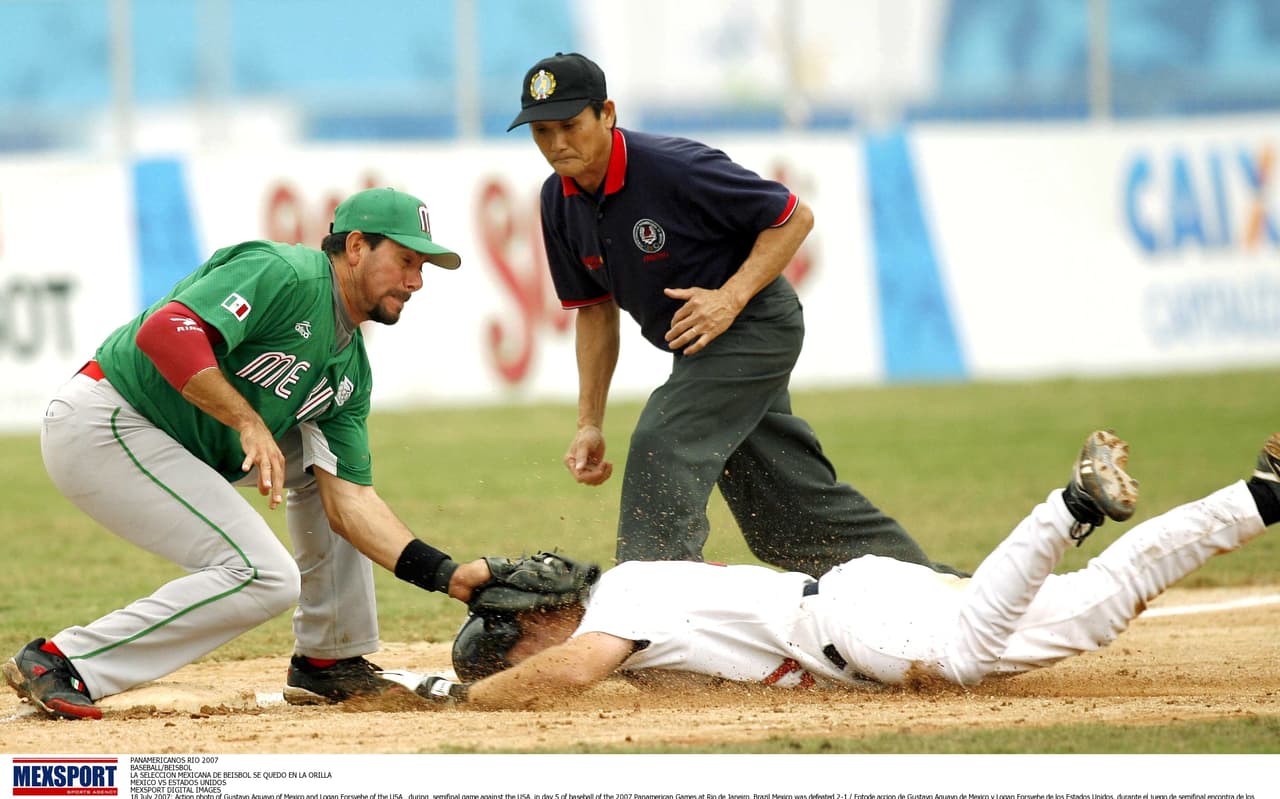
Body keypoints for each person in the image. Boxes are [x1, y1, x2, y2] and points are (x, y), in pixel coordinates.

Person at [3, 187, 497, 720]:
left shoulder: (349, 370)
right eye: (405, 260)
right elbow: (165, 331)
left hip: (172, 442)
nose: (415, 281)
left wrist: (450, 575)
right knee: (264, 576)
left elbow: (351, 502)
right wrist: (248, 420)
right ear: (355, 246)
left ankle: (329, 661)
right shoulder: (286, 273)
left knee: (321, 470)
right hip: (109, 419)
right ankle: (62, 660)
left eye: (422, 266)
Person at [410, 430, 1279, 708]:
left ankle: (1070, 507)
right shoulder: (636, 595)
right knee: (1093, 610)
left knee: (965, 662)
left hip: (856, 629)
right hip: (862, 600)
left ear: (523, 636)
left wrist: (457, 699)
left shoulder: (621, 604)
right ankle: (1262, 496)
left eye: (519, 636)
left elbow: (570, 670)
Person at [508, 52, 958, 577]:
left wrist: (730, 297)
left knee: (663, 438)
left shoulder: (674, 167)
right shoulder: (556, 201)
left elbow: (793, 217)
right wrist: (589, 423)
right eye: (542, 131)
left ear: (606, 113)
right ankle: (939, 594)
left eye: (570, 125)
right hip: (702, 349)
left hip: (756, 324)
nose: (557, 143)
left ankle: (651, 605)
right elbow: (594, 314)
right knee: (789, 520)